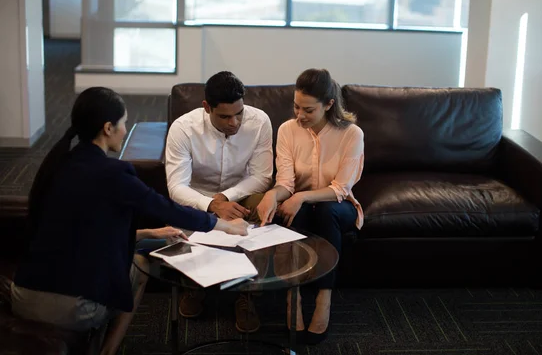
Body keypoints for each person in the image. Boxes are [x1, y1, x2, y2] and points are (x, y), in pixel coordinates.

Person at [11, 87, 249, 355]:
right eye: (124, 123)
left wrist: (147, 233)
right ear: (108, 128)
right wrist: (224, 225)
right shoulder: (114, 173)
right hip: (72, 307)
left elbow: (84, 230)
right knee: (140, 265)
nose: (126, 131)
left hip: (22, 294)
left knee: (127, 255)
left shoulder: (57, 164)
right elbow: (167, 208)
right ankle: (108, 350)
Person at [256, 68, 364, 345]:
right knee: (298, 212)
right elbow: (286, 182)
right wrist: (274, 195)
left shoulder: (351, 134)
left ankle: (323, 299)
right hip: (299, 204)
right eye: (296, 107)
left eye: (308, 110)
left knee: (324, 211)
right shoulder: (287, 130)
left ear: (329, 105)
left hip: (338, 205)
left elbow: (341, 188)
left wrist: (302, 196)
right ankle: (294, 296)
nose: (299, 116)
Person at [165, 71, 273, 331]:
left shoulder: (259, 122)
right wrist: (212, 205)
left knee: (262, 202)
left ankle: (247, 294)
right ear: (206, 107)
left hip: (241, 194)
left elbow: (262, 176)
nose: (234, 122)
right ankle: (194, 287)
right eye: (224, 116)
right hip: (197, 197)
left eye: (239, 113)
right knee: (180, 208)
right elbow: (176, 186)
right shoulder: (183, 129)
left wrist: (226, 198)